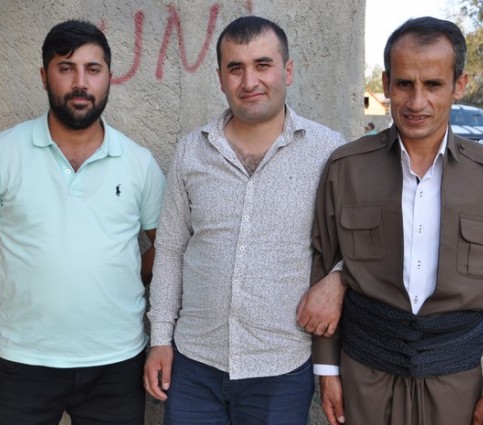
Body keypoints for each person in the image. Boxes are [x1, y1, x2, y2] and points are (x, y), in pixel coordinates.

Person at [311, 16, 483, 425]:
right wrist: (327, 369)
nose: (417, 102)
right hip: (365, 377)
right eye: (404, 84)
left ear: (459, 85)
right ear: (385, 83)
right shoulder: (347, 168)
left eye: (433, 84)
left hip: (454, 384)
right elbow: (323, 264)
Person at [0, 20, 165, 425]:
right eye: (66, 68)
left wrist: (122, 279)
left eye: (93, 69)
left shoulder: (139, 163)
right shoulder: (0, 153)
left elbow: (166, 246)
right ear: (44, 76)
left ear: (109, 77)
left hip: (116, 363)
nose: (80, 82)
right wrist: (22, 279)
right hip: (25, 360)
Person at [143, 15, 347, 424]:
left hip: (281, 366)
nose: (249, 81)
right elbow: (170, 250)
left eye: (263, 65)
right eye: (236, 68)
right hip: (194, 363)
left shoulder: (328, 151)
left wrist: (338, 280)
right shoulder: (192, 151)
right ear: (221, 78)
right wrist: (160, 338)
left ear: (288, 70)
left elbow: (356, 244)